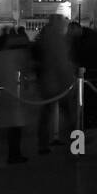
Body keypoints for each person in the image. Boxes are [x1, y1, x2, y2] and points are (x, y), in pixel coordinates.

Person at [0, 27, 33, 164]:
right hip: (15, 92)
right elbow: (25, 70)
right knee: (15, 126)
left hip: (5, 92)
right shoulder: (18, 55)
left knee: (12, 125)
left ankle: (13, 153)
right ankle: (14, 154)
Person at [34, 14, 75, 154]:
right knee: (71, 115)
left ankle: (43, 145)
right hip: (58, 83)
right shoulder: (57, 39)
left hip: (49, 82)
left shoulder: (45, 37)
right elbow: (61, 63)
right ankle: (78, 146)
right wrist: (70, 79)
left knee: (46, 116)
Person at [68, 22, 97, 130]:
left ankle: (91, 120)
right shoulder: (86, 35)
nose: (71, 34)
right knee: (89, 94)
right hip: (91, 68)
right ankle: (90, 119)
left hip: (93, 68)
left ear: (77, 29)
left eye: (72, 31)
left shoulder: (87, 37)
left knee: (91, 94)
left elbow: (82, 53)